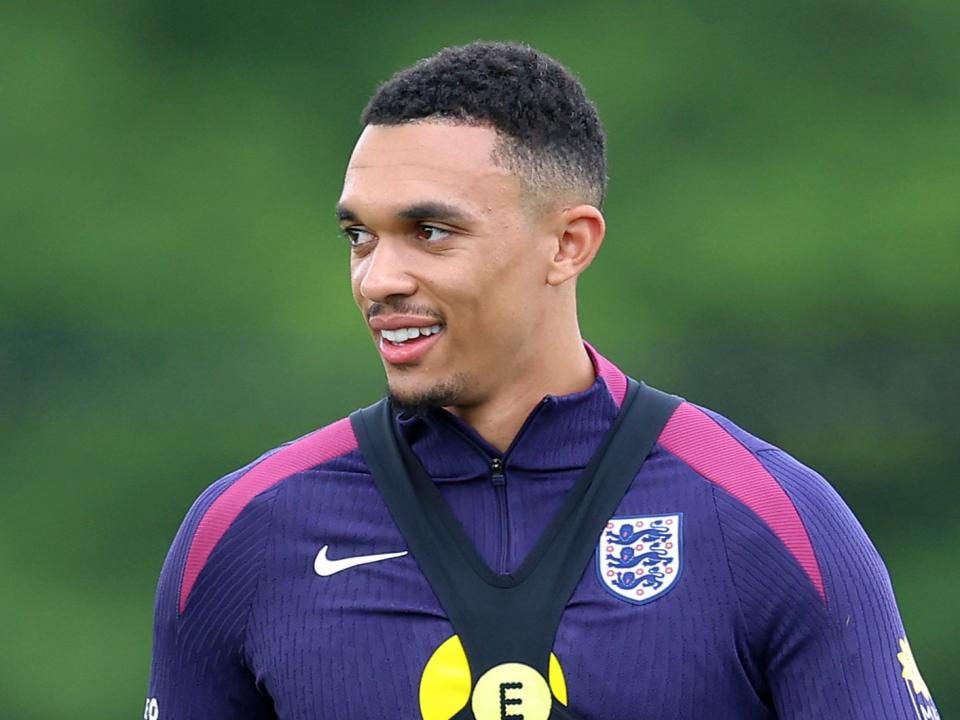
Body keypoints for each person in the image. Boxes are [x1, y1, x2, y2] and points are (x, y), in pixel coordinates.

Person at [145, 42, 939, 720]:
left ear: (568, 245)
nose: (378, 278)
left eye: (430, 231)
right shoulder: (242, 533)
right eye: (360, 236)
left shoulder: (770, 520)